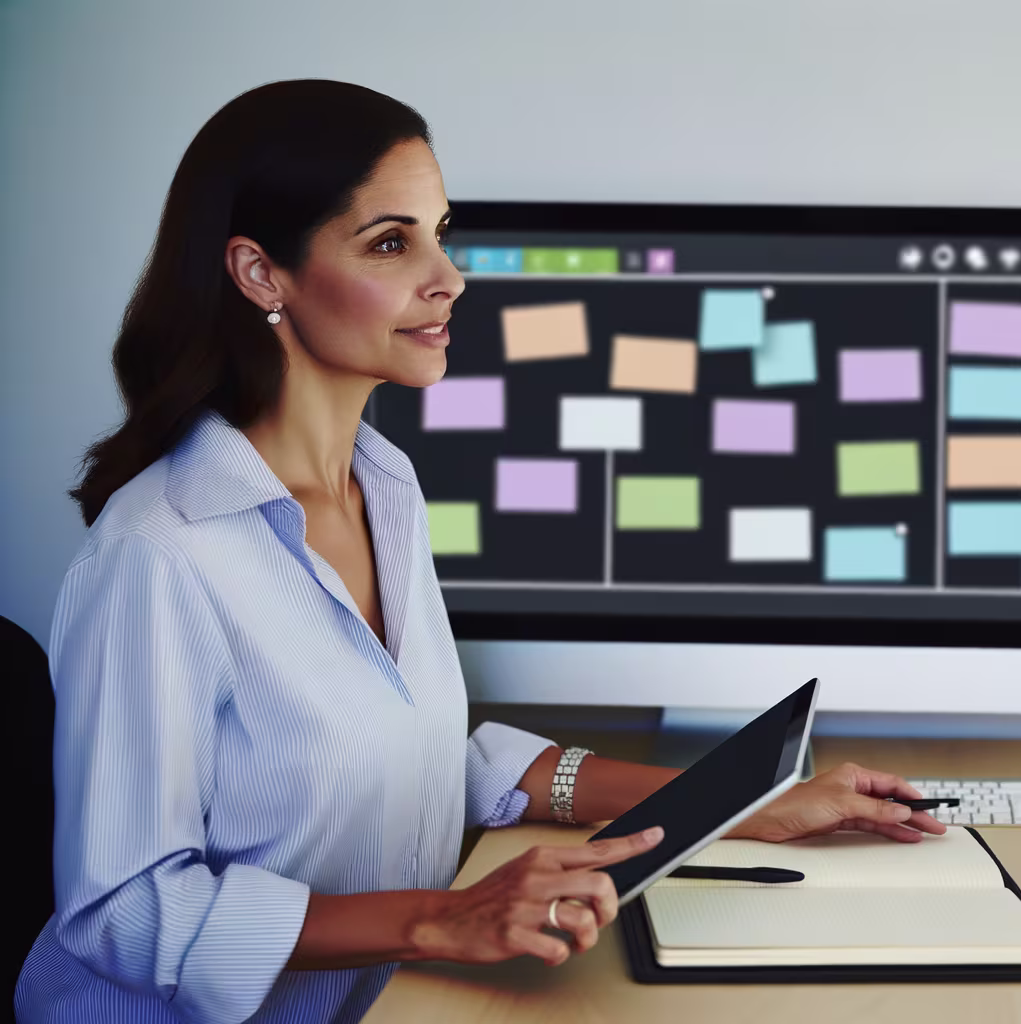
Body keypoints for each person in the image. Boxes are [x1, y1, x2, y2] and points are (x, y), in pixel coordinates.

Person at [15, 79, 946, 1024]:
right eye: (391, 243)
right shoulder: (158, 554)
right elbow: (123, 912)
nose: (449, 277)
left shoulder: (384, 486)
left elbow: (409, 764)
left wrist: (739, 804)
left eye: (440, 232)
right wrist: (444, 919)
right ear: (261, 274)